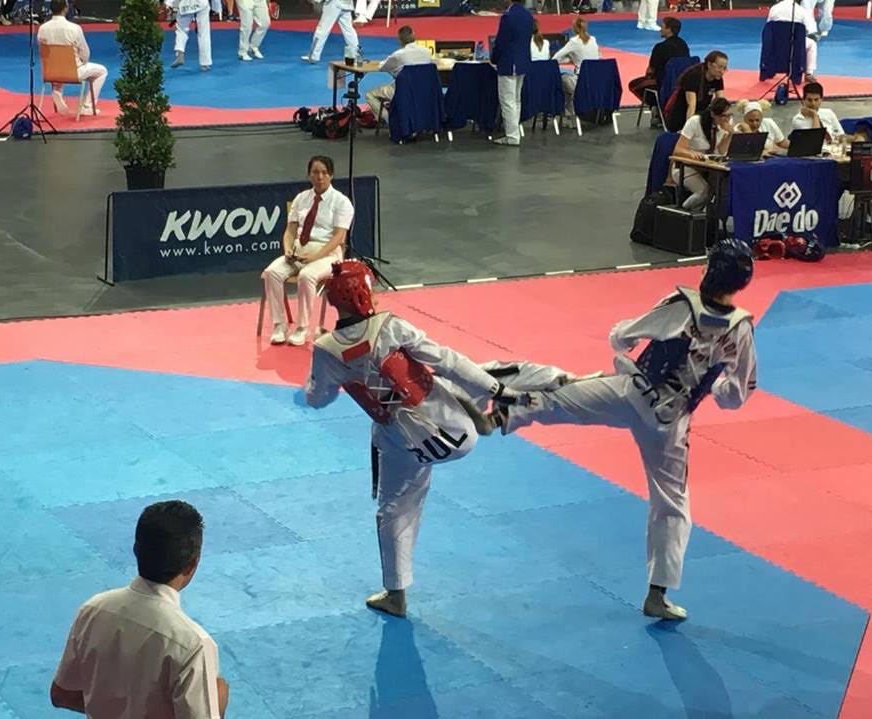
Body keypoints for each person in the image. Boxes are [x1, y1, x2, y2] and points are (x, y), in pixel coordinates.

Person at [488, 239, 758, 621]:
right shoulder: (741, 329)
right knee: (672, 504)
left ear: (709, 271)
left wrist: (623, 334)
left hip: (633, 393)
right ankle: (658, 594)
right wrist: (715, 386)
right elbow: (737, 395)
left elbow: (623, 337)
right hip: (668, 425)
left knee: (562, 395)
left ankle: (508, 413)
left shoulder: (681, 305)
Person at [304, 259, 530, 618]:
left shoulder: (326, 349)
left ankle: (396, 595)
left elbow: (317, 398)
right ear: (365, 293)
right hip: (457, 430)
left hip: (403, 443)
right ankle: (490, 412)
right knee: (448, 373)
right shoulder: (390, 327)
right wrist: (497, 390)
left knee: (393, 510)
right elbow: (449, 360)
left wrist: (323, 384)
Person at [50, 500, 229, 718]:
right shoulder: (193, 645)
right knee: (219, 690)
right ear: (193, 564)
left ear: (135, 550)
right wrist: (218, 703)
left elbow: (62, 694)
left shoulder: (93, 610)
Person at [262, 155, 354, 346]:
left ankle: (302, 328)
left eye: (324, 173)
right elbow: (290, 230)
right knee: (272, 273)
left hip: (327, 254)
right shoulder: (301, 198)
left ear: (331, 175)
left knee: (306, 276)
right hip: (299, 251)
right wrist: (288, 249)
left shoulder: (341, 202)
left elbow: (338, 237)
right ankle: (279, 325)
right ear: (309, 175)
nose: (319, 177)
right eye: (315, 172)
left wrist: (315, 256)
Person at [36, 0, 108, 117]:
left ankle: (57, 90)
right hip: (73, 71)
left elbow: (42, 52)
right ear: (66, 8)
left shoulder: (42, 29)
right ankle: (87, 106)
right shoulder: (74, 28)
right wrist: (82, 62)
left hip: (50, 72)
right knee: (102, 71)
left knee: (58, 64)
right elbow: (85, 53)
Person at [672, 97, 735, 210]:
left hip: (709, 167)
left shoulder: (727, 122)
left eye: (729, 115)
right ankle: (682, 212)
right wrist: (691, 154)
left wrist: (730, 135)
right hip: (686, 166)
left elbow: (720, 151)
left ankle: (706, 217)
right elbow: (678, 150)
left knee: (722, 191)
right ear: (713, 114)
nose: (726, 119)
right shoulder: (695, 122)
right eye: (723, 116)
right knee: (704, 191)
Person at [628, 16, 690, 124]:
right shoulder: (683, 45)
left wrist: (648, 77)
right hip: (682, 82)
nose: (660, 29)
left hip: (663, 83)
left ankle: (655, 106)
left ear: (669, 29)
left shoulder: (660, 47)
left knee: (634, 85)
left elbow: (651, 69)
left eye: (663, 27)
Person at [365, 26, 433, 123]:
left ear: (400, 40)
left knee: (370, 94)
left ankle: (390, 121)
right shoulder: (427, 52)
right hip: (424, 91)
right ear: (414, 35)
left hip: (403, 91)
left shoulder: (398, 55)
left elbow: (382, 67)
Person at [491, 0, 535, 146]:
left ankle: (512, 136)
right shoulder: (528, 15)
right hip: (523, 62)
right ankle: (514, 133)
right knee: (516, 100)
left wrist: (494, 58)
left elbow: (501, 42)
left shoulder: (508, 16)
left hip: (510, 63)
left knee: (508, 101)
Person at [664, 50, 727, 133]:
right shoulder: (693, 76)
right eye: (719, 67)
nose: (722, 71)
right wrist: (688, 131)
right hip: (681, 117)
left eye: (724, 68)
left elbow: (721, 102)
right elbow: (691, 106)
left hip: (701, 115)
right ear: (709, 65)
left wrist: (724, 124)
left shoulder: (717, 78)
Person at [552, 17, 600, 119]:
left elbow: (555, 58)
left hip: (580, 82)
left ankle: (569, 114)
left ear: (574, 29)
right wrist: (572, 59)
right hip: (597, 82)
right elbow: (598, 56)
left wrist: (567, 60)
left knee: (560, 80)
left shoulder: (574, 42)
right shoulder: (593, 39)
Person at [766, 0, 819, 82]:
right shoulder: (801, 11)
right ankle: (809, 73)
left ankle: (768, 69)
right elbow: (810, 29)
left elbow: (768, 27)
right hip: (795, 44)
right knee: (812, 44)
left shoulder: (774, 9)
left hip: (776, 44)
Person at [168, 0, 213, 70]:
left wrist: (170, 6)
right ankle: (205, 63)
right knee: (204, 32)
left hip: (185, 5)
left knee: (181, 29)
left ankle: (180, 54)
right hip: (202, 3)